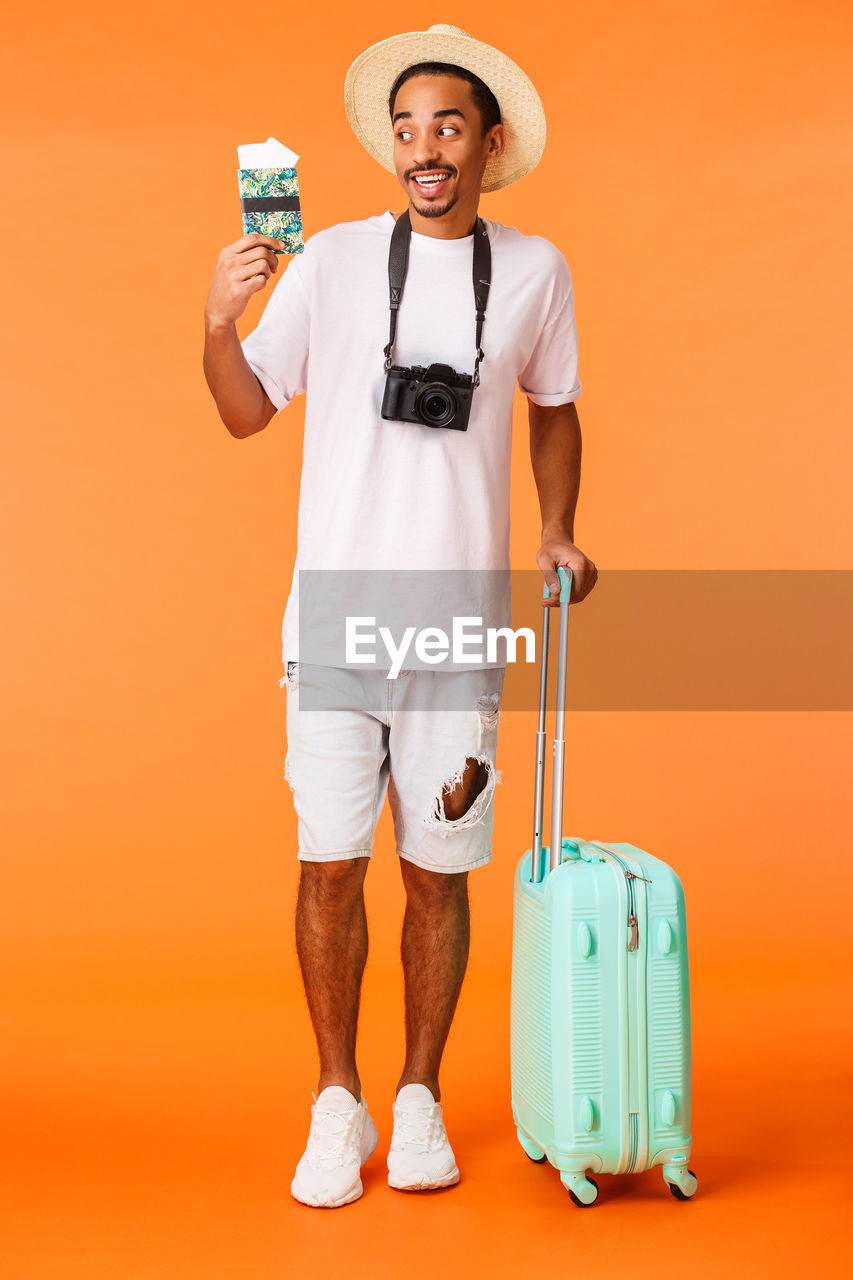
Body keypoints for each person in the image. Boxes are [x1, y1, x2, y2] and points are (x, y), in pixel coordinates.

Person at [202, 23, 598, 1209]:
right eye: (408, 127)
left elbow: (557, 408)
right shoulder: (322, 259)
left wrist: (558, 527)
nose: (425, 148)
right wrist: (218, 320)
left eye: (448, 127)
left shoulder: (535, 269)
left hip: (456, 626)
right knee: (329, 866)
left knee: (439, 869)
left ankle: (418, 1095)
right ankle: (339, 1098)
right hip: (331, 621)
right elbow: (243, 414)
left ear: (488, 144)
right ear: (394, 145)